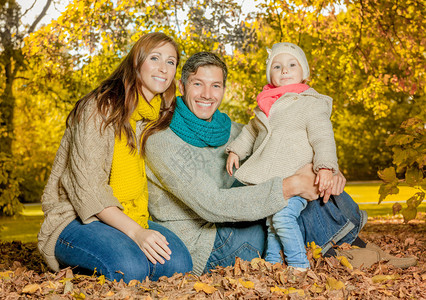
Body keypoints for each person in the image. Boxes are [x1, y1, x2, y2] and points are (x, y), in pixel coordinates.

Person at [145, 51, 417, 275]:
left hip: (234, 221)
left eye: (215, 85)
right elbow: (213, 206)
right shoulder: (161, 140)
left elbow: (282, 149)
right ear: (181, 87)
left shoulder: (228, 130)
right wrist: (291, 185)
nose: (207, 94)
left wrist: (328, 170)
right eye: (197, 84)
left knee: (307, 177)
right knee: (289, 199)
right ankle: (352, 250)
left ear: (223, 90)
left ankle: (354, 248)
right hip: (207, 242)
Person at [38, 32, 193, 283]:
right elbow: (88, 189)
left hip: (131, 216)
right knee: (129, 268)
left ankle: (112, 253)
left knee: (179, 263)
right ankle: (88, 263)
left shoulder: (154, 117)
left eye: (171, 62)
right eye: (155, 58)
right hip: (73, 218)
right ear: (136, 62)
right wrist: (137, 233)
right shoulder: (99, 107)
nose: (163, 68)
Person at [225, 42, 337, 270]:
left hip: (297, 175)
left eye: (291, 64)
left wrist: (325, 166)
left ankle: (298, 264)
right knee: (272, 223)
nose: (284, 70)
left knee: (283, 219)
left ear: (304, 72)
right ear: (270, 74)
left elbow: (323, 137)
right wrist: (236, 149)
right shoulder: (267, 104)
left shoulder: (310, 103)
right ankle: (273, 263)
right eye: (277, 66)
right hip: (274, 181)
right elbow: (251, 131)